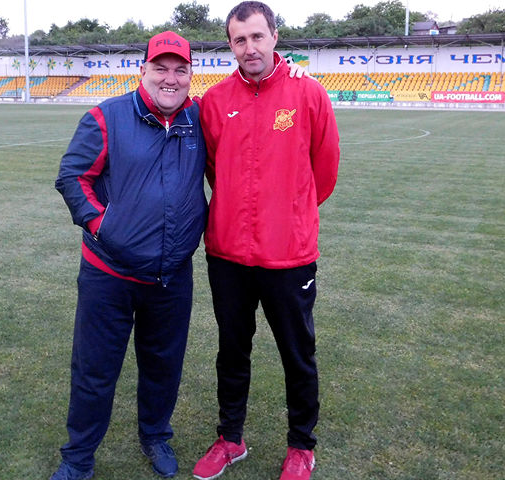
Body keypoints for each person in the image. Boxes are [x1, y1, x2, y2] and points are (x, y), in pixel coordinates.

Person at [192, 2, 340, 480]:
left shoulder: (308, 93)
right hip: (228, 254)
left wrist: (290, 213)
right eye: (240, 40)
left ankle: (301, 446)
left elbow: (324, 171)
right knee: (232, 351)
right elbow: (213, 169)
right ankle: (230, 438)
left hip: (289, 255)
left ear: (275, 37)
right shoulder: (215, 102)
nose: (249, 47)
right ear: (230, 45)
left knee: (297, 355)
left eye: (257, 36)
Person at [52, 31, 208, 480]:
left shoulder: (200, 119)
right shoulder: (106, 117)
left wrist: (288, 70)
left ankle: (155, 436)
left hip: (171, 276)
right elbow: (73, 176)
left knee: (163, 367)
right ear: (143, 70)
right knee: (94, 371)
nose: (170, 78)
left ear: (190, 75)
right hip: (110, 274)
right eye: (161, 68)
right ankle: (78, 458)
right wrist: (104, 227)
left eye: (180, 70)